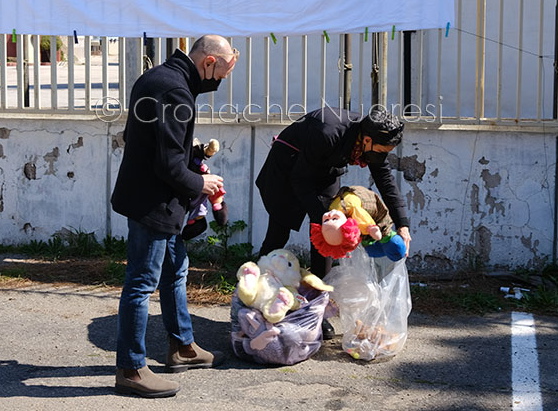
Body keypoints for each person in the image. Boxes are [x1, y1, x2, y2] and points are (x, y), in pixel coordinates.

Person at [111, 35, 238, 398]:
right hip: (154, 202)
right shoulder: (175, 90)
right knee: (141, 283)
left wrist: (192, 152)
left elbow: (158, 141)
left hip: (153, 197)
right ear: (209, 62)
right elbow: (167, 164)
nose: (220, 82)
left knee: (175, 270)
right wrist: (203, 182)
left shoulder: (160, 78)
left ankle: (181, 347)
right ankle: (131, 369)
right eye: (223, 73)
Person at [254, 106, 411, 339]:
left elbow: (385, 179)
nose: (381, 156)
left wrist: (402, 224)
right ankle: (255, 297)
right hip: (288, 169)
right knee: (278, 234)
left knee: (327, 245)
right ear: (366, 140)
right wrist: (326, 220)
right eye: (381, 151)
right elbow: (300, 179)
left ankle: (316, 312)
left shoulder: (371, 140)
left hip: (325, 170)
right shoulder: (328, 131)